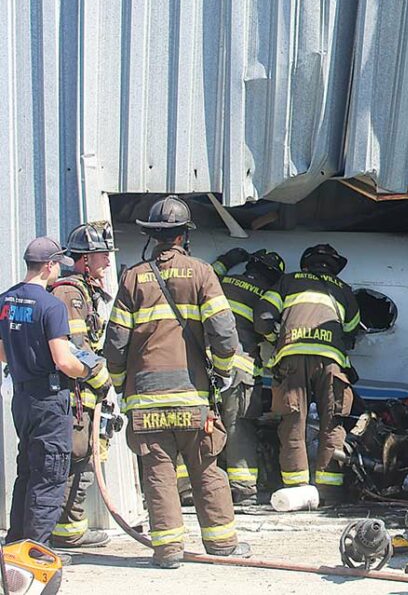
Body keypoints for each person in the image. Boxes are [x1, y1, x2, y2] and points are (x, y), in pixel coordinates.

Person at [104, 195, 249, 568]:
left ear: (154, 236)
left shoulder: (133, 278)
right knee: (206, 468)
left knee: (158, 474)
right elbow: (224, 333)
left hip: (146, 401)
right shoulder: (202, 273)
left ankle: (167, 551)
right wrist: (221, 371)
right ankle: (223, 546)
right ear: (184, 235)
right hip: (193, 399)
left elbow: (116, 343)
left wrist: (120, 385)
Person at [0, 237, 103, 547]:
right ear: (48, 266)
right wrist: (88, 369)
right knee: (50, 475)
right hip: (50, 400)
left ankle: (16, 545)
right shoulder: (50, 305)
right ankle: (37, 550)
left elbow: (3, 354)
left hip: (22, 398)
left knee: (28, 471)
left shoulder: (5, 301)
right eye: (58, 264)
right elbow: (63, 360)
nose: (60, 269)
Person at [254, 243, 360, 506]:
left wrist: (276, 339)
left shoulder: (287, 282)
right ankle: (329, 491)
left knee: (293, 421)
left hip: (292, 358)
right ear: (334, 267)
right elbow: (352, 330)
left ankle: (296, 490)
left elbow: (262, 316)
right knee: (332, 423)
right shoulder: (344, 290)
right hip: (331, 362)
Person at [49, 222, 118, 549]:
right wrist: (103, 380)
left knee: (85, 458)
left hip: (85, 394)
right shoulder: (69, 293)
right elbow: (76, 347)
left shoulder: (83, 291)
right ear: (85, 259)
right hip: (75, 394)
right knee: (77, 457)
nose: (106, 262)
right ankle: (66, 531)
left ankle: (68, 529)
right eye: (102, 255)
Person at [212, 246, 286, 503]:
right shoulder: (268, 295)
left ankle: (188, 486)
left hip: (203, 365)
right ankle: (243, 489)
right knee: (238, 426)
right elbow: (265, 325)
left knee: (198, 423)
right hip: (239, 369)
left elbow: (207, 273)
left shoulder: (219, 281)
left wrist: (228, 258)